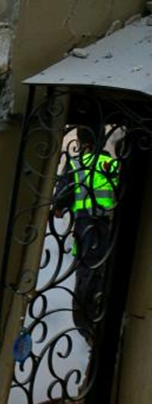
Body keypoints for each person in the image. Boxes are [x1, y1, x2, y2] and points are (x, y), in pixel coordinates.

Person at [52, 129, 119, 342]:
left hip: (86, 228)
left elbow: (61, 199)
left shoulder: (77, 163)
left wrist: (59, 206)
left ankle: (87, 328)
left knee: (86, 276)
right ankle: (100, 323)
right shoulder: (112, 164)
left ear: (82, 142)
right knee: (103, 274)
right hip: (108, 229)